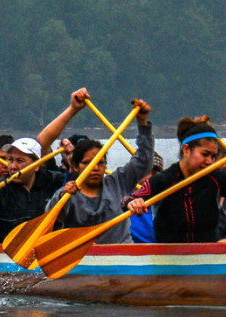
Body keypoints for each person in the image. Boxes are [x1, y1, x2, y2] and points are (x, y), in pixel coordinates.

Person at [0, 88, 91, 242]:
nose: (13, 166)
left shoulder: (53, 181)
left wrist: (73, 109)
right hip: (6, 253)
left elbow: (45, 141)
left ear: (36, 166)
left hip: (45, 249)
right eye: (10, 159)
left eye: (20, 161)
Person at [46, 99, 154, 244]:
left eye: (100, 163)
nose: (95, 168)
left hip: (120, 255)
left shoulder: (118, 181)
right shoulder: (68, 194)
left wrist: (143, 124)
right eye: (87, 163)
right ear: (76, 167)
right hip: (81, 259)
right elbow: (50, 216)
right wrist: (61, 196)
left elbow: (144, 161)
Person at [123, 115, 226, 243]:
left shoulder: (216, 178)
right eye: (205, 154)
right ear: (186, 150)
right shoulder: (164, 180)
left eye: (213, 156)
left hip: (208, 254)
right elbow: (127, 200)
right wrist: (133, 203)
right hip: (169, 257)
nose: (210, 162)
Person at [129, 152, 163, 243]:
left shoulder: (169, 201)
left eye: (155, 174)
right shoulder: (119, 201)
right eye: (143, 173)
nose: (149, 179)